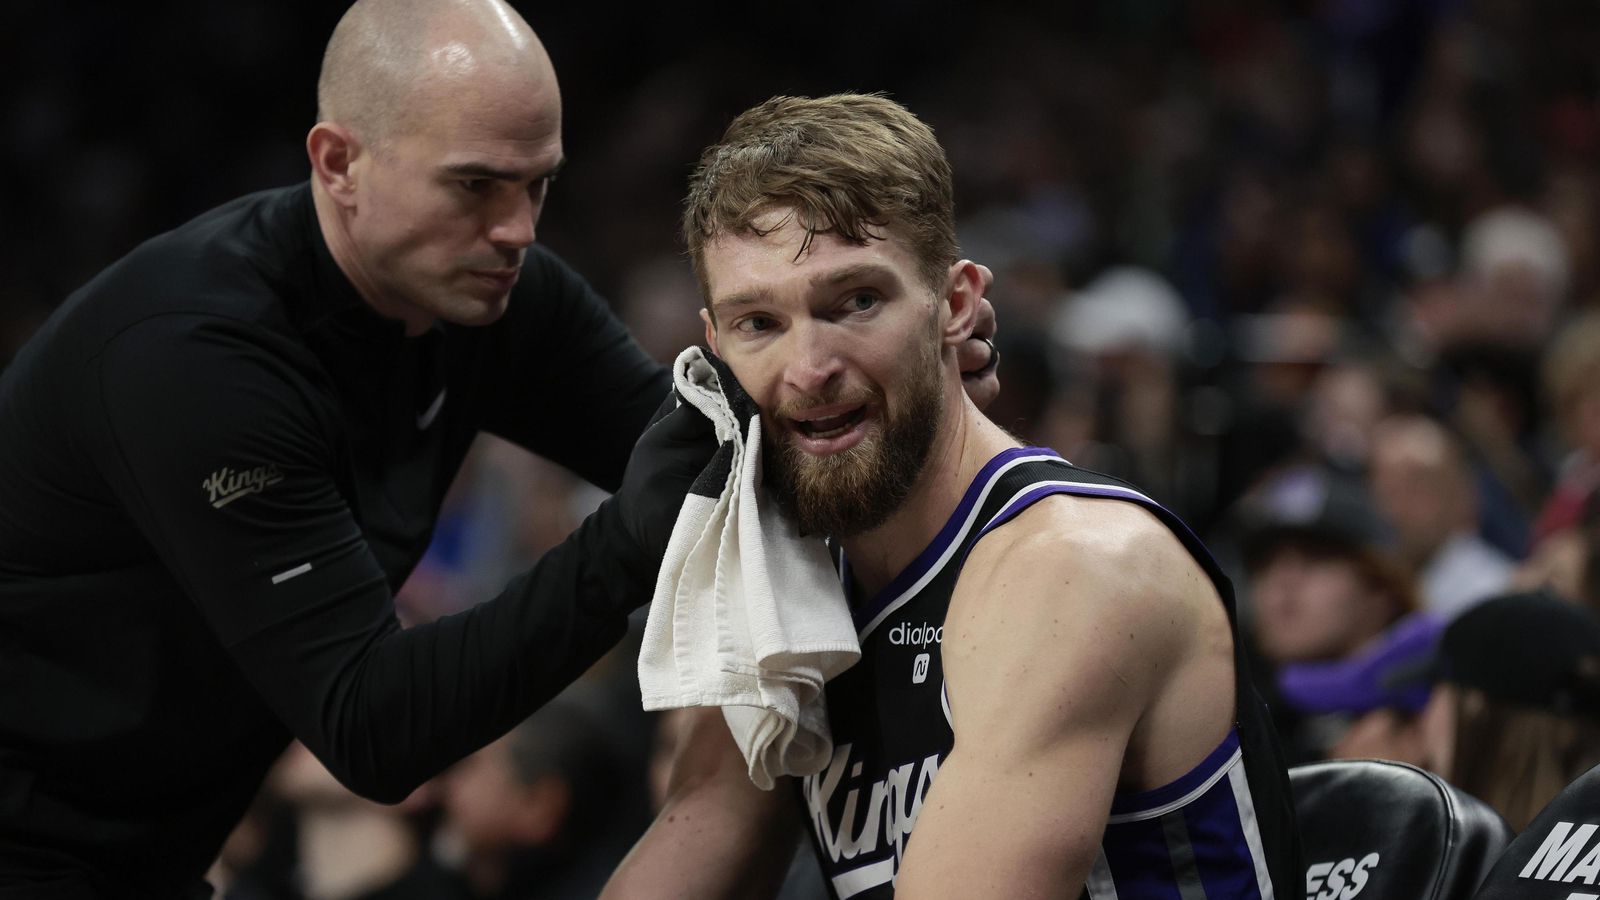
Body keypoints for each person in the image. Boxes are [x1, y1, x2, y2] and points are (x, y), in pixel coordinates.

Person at [0, 2, 1001, 895]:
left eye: (538, 187)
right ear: (338, 164)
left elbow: (729, 459)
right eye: (476, 186)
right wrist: (617, 553)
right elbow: (370, 726)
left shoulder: (491, 292)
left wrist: (905, 391)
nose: (517, 230)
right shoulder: (196, 361)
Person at [603, 93, 1299, 899]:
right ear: (716, 351)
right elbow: (693, 854)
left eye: (856, 301)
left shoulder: (1074, 568)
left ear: (955, 304)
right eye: (760, 323)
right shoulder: (794, 583)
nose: (809, 367)